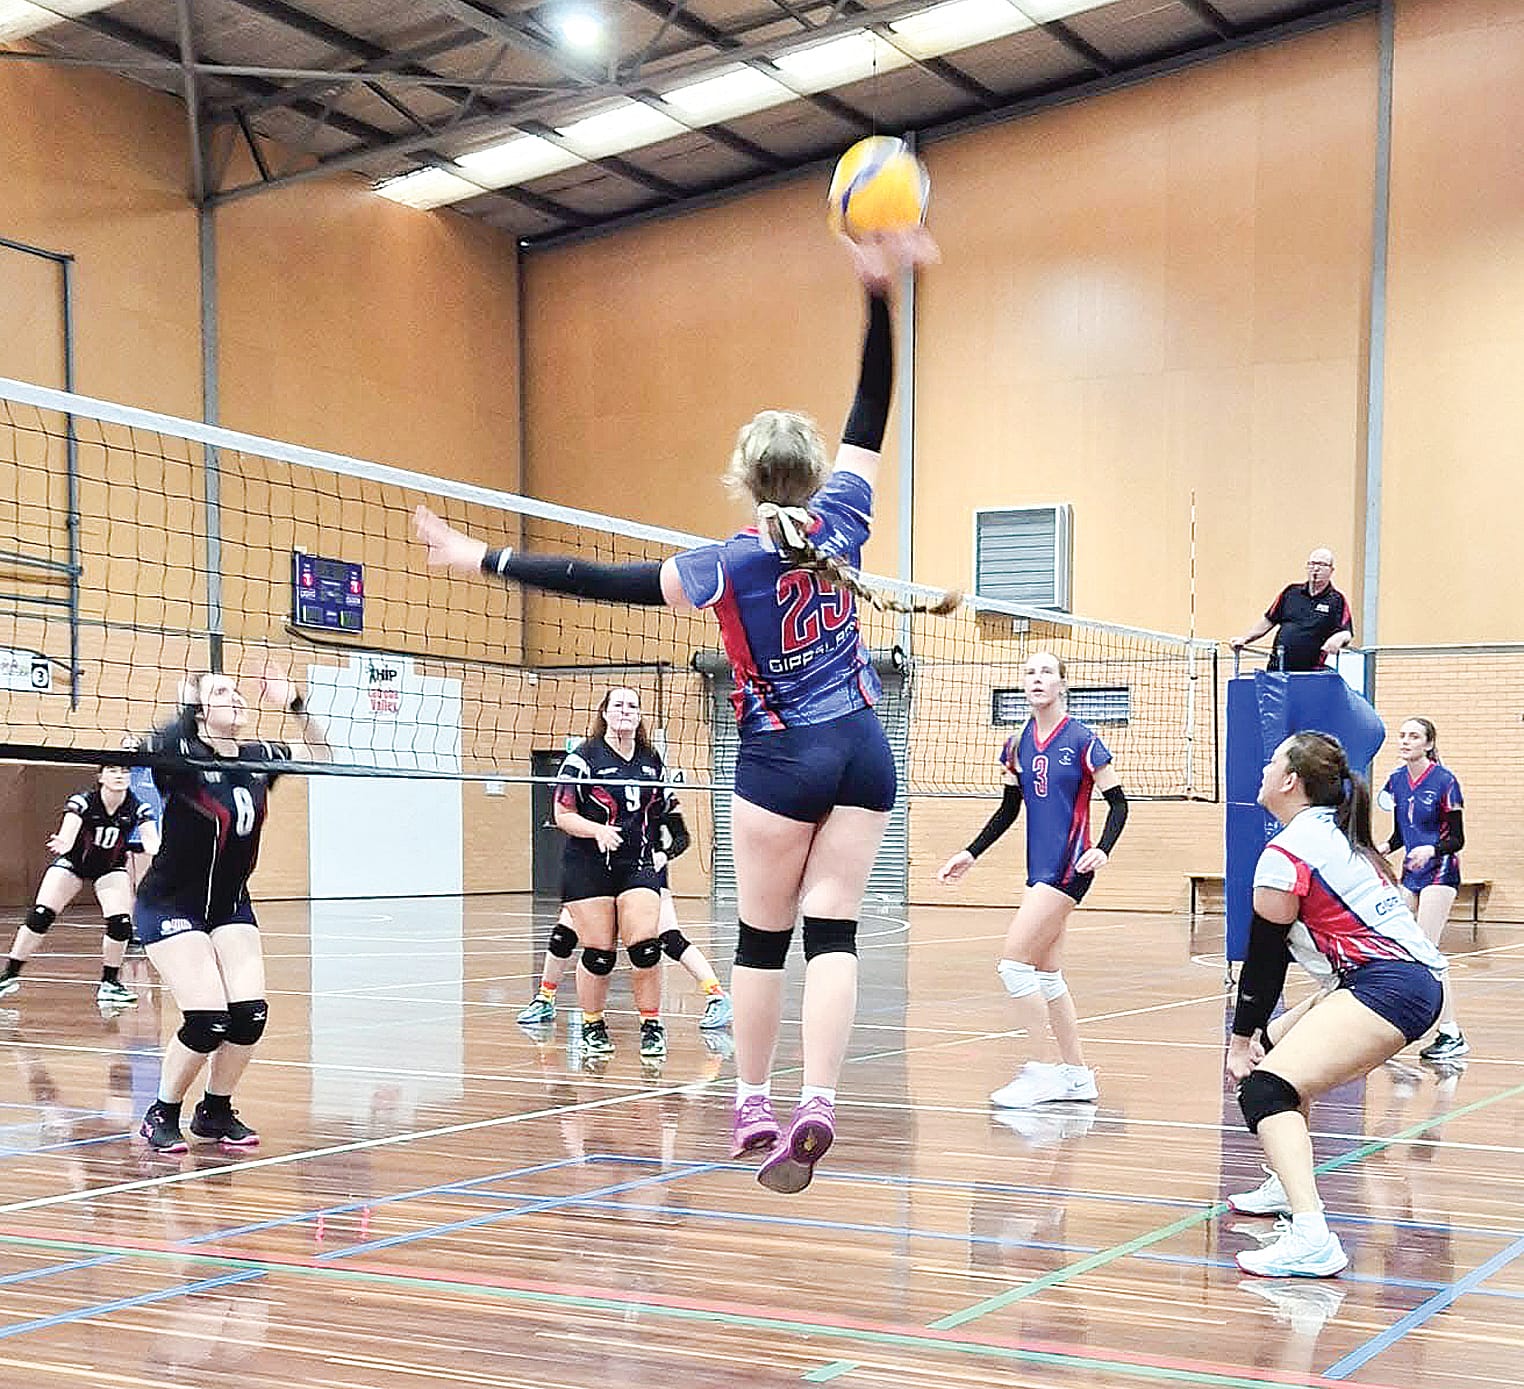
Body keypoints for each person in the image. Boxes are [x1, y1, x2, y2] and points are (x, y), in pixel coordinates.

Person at [413, 227, 948, 1193]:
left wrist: (479, 558)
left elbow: (592, 579)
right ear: (815, 473)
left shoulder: (720, 566)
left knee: (761, 937)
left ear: (745, 479)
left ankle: (752, 1101)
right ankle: (819, 1100)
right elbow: (874, 406)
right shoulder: (849, 518)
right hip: (865, 747)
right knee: (835, 929)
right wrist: (878, 296)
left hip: (779, 758)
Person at [1225, 731, 1445, 1278]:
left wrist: (1238, 1041)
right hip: (1389, 980)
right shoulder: (1335, 835)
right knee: (1277, 1048)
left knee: (1264, 1086)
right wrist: (1259, 1036)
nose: (1264, 768)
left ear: (1290, 781)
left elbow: (1265, 959)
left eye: (1272, 760)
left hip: (1388, 986)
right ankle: (1285, 1181)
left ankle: (1311, 1235)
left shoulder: (1288, 851)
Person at [131, 662, 328, 1154]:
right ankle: (162, 1112)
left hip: (229, 904)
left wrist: (296, 704)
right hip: (171, 903)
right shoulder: (180, 756)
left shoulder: (260, 756)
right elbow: (149, 744)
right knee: (206, 1019)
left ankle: (215, 1111)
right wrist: (184, 708)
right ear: (199, 709)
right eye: (221, 691)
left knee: (250, 1016)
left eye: (238, 690)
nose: (236, 696)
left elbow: (323, 755)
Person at [936, 651, 1128, 1108]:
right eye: (1029, 672)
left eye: (1046, 672)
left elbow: (1119, 803)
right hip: (1037, 869)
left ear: (1063, 684)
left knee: (1013, 965)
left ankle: (1041, 1071)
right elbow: (1008, 810)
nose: (1036, 679)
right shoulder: (1016, 744)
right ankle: (1079, 1078)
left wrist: (1102, 848)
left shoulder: (1082, 739)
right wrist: (970, 852)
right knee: (1046, 976)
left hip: (1069, 866)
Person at [518, 789, 733, 1031]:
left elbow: (681, 836)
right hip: (596, 871)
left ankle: (716, 995)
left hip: (642, 872)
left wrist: (664, 854)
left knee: (668, 938)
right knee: (563, 934)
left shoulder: (654, 787)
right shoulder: (593, 783)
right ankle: (545, 998)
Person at [551, 687, 671, 1062]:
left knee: (646, 947)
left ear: (640, 715)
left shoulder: (652, 760)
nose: (625, 710)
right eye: (618, 704)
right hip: (589, 865)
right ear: (604, 712)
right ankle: (592, 1024)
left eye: (632, 705)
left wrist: (665, 847)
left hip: (635, 863)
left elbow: (666, 811)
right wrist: (598, 830)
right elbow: (563, 814)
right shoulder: (582, 758)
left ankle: (651, 1026)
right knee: (600, 953)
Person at [0, 766, 160, 1008]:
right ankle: (9, 974)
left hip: (110, 868)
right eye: (113, 771)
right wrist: (64, 841)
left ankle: (110, 984)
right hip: (73, 863)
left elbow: (151, 841)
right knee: (41, 915)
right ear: (101, 777)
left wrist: (161, 850)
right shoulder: (84, 801)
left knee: (121, 922)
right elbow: (69, 828)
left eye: (125, 772)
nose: (119, 776)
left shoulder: (138, 807)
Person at [1380, 717, 1467, 1062]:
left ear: (1428, 744)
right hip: (1411, 875)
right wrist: (1379, 849)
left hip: (1440, 872)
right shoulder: (1397, 782)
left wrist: (1432, 849)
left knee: (1426, 953)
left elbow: (1457, 839)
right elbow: (1401, 835)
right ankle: (1399, 1024)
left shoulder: (1445, 781)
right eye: (1402, 736)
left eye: (1413, 736)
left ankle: (1451, 1032)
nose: (1405, 741)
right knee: (1396, 946)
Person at [1232, 548, 1353, 672]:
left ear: (1331, 570)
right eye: (1312, 564)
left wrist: (1337, 638)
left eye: (1321, 565)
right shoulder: (1290, 592)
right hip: (1278, 669)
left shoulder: (1337, 600)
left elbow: (1346, 633)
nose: (1316, 569)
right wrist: (1245, 639)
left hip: (1311, 673)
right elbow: (1268, 621)